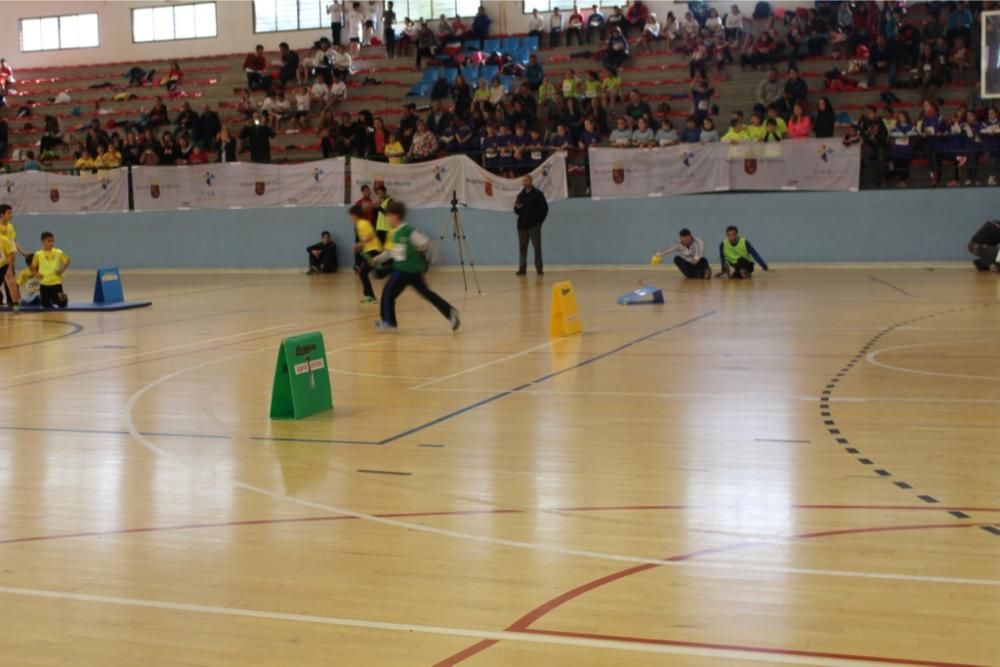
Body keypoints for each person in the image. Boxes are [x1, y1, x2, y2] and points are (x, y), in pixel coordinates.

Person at [372, 201, 460, 332]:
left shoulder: (409, 231)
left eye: (388, 216)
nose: (387, 219)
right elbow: (390, 252)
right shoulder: (393, 233)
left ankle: (389, 323)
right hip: (408, 271)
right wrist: (378, 258)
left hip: (404, 270)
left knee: (388, 292)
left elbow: (425, 243)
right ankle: (450, 312)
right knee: (427, 294)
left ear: (396, 216)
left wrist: (421, 251)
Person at [514, 175, 548, 276]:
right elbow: (516, 210)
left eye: (526, 180)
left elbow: (544, 209)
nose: (525, 182)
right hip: (522, 226)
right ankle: (522, 269)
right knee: (522, 248)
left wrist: (539, 222)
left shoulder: (538, 194)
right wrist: (517, 208)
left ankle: (539, 268)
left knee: (537, 247)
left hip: (534, 226)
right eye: (523, 181)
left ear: (531, 181)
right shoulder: (520, 195)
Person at [349, 204, 382, 303]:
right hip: (369, 251)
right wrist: (360, 246)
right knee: (364, 273)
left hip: (374, 250)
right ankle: (369, 295)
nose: (350, 218)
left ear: (355, 215)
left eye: (350, 215)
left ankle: (370, 296)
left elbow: (372, 235)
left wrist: (360, 244)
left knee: (364, 273)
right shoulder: (360, 224)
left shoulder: (362, 224)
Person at [30, 231, 70, 309]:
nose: (51, 243)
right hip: (44, 283)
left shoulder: (58, 252)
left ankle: (62, 298)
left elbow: (67, 261)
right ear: (42, 241)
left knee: (62, 304)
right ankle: (47, 298)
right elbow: (33, 267)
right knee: (45, 305)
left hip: (56, 283)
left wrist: (62, 270)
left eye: (52, 241)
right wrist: (36, 274)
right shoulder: (38, 254)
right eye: (49, 241)